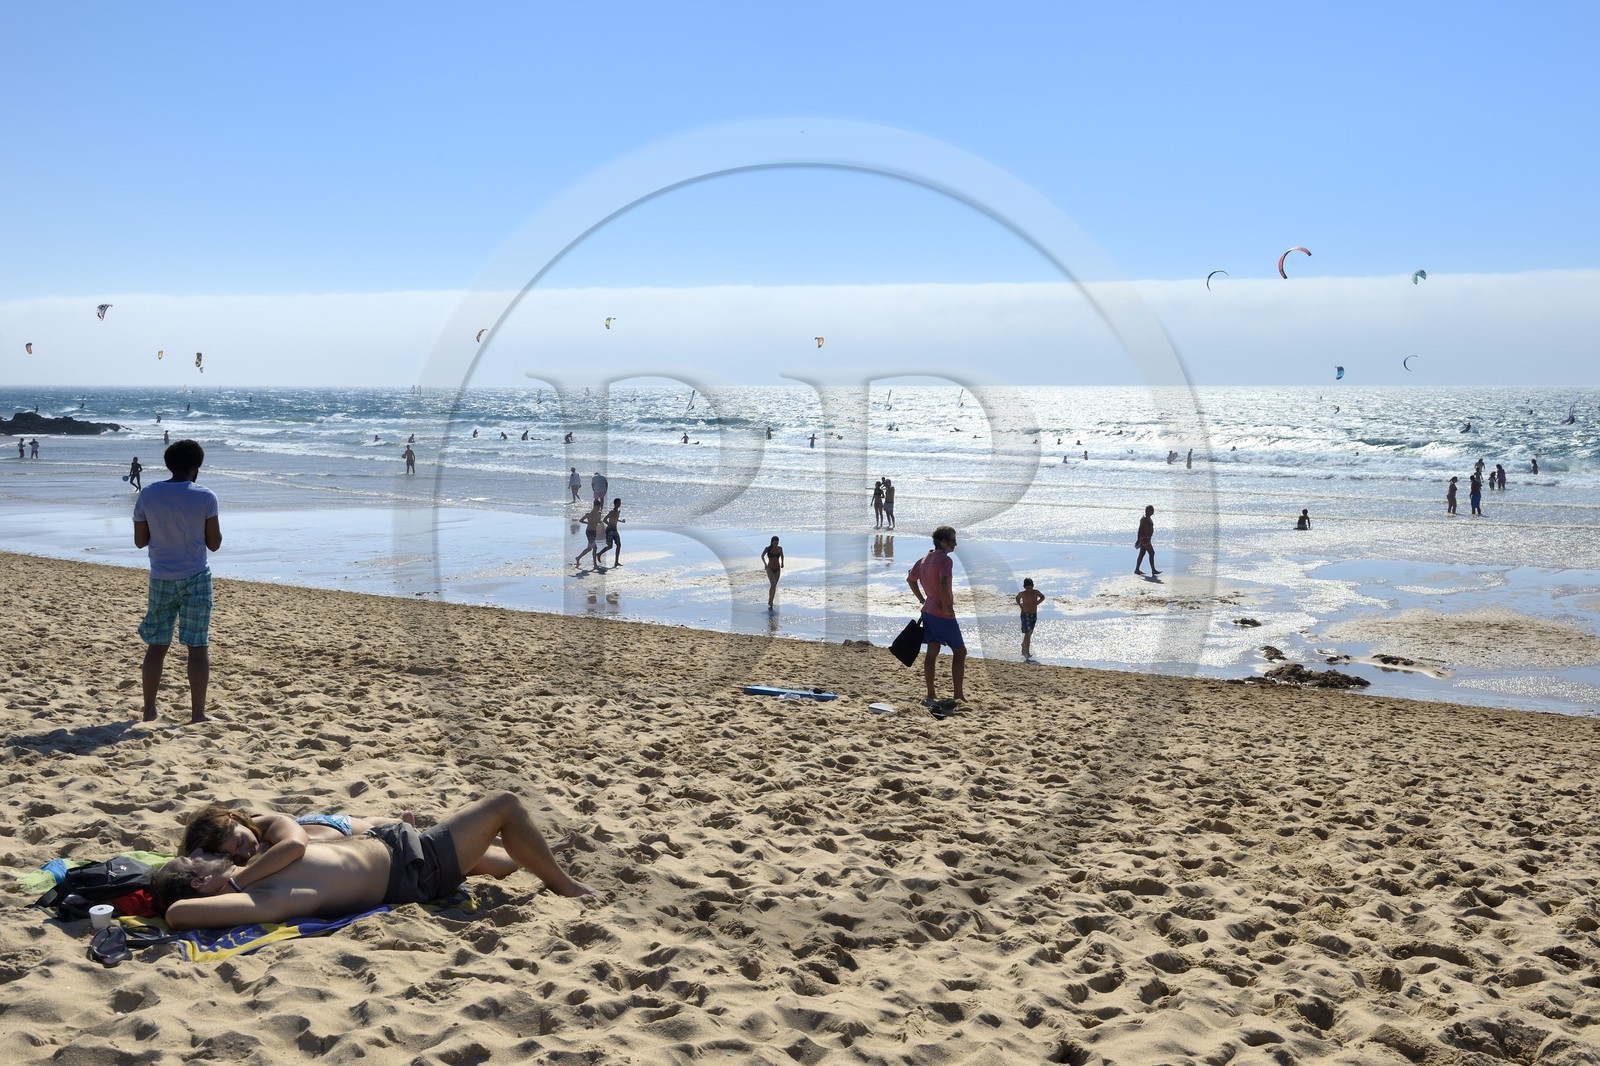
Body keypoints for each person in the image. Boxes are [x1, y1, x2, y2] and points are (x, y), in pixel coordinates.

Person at [151, 792, 593, 930]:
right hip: (416, 867)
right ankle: (566, 885)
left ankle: (541, 858)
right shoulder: (256, 896)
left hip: (397, 847)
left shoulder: (252, 873)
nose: (210, 861)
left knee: (492, 859)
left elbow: (294, 842)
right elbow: (176, 914)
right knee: (505, 805)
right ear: (198, 885)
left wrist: (232, 876)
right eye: (200, 863)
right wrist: (226, 886)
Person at [179, 803, 547, 886]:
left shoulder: (269, 826)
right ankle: (532, 853)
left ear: (237, 819)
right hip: (375, 842)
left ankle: (533, 851)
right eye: (233, 856)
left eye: (241, 842)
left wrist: (239, 875)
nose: (244, 853)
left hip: (376, 831)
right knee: (481, 859)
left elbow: (296, 843)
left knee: (475, 850)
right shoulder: (255, 850)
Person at [133, 438, 222, 723]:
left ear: (168, 464)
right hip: (195, 575)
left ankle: (149, 709)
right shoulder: (206, 496)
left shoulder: (148, 494)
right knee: (197, 645)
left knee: (157, 645)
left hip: (161, 576)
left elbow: (140, 541)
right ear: (196, 467)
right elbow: (214, 544)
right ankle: (197, 713)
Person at [907, 526, 965, 707]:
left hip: (928, 610)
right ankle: (958, 695)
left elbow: (911, 579)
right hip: (941, 613)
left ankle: (931, 693)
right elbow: (943, 581)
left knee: (933, 650)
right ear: (943, 542)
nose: (955, 543)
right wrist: (946, 606)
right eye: (953, 540)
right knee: (960, 651)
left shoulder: (924, 559)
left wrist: (922, 599)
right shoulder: (945, 560)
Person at [1015, 578, 1045, 664]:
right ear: (1024, 587)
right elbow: (1017, 598)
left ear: (1033, 586)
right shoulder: (1022, 594)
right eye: (1027, 587)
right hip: (1025, 614)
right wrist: (1020, 605)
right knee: (1027, 633)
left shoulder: (1036, 592)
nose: (1029, 589)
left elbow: (1042, 597)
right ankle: (1027, 653)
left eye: (1030, 587)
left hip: (1033, 614)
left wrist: (1038, 602)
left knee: (1030, 633)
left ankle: (1023, 646)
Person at [595, 498, 624, 566]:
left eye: (620, 503)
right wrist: (610, 525)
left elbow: (615, 519)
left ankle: (616, 562)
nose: (620, 504)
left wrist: (621, 521)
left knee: (619, 545)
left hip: (615, 530)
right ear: (615, 503)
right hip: (610, 530)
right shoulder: (612, 512)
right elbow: (604, 520)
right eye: (618, 503)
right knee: (610, 546)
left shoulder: (618, 512)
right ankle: (599, 554)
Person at [575, 499, 604, 568]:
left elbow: (599, 522)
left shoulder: (598, 513)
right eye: (599, 507)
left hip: (594, 532)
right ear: (595, 506)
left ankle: (578, 558)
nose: (599, 508)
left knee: (589, 548)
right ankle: (595, 565)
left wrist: (600, 522)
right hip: (589, 532)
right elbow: (581, 520)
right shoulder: (588, 514)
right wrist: (587, 523)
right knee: (595, 548)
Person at [1133, 505, 1160, 576]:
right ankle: (1153, 570)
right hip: (1144, 537)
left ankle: (1137, 569)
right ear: (1147, 510)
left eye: (1153, 510)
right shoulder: (1144, 518)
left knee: (1142, 553)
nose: (1153, 511)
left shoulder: (1148, 518)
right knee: (1152, 553)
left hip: (1147, 537)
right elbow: (1140, 529)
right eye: (1152, 510)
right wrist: (1138, 539)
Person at [761, 536, 784, 608]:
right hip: (770, 568)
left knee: (774, 586)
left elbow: (782, 555)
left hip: (777, 569)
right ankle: (770, 600)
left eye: (777, 542)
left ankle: (771, 601)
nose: (776, 544)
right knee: (773, 585)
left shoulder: (780, 548)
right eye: (774, 542)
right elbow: (762, 556)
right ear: (772, 542)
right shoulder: (768, 548)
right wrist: (765, 564)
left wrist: (782, 563)